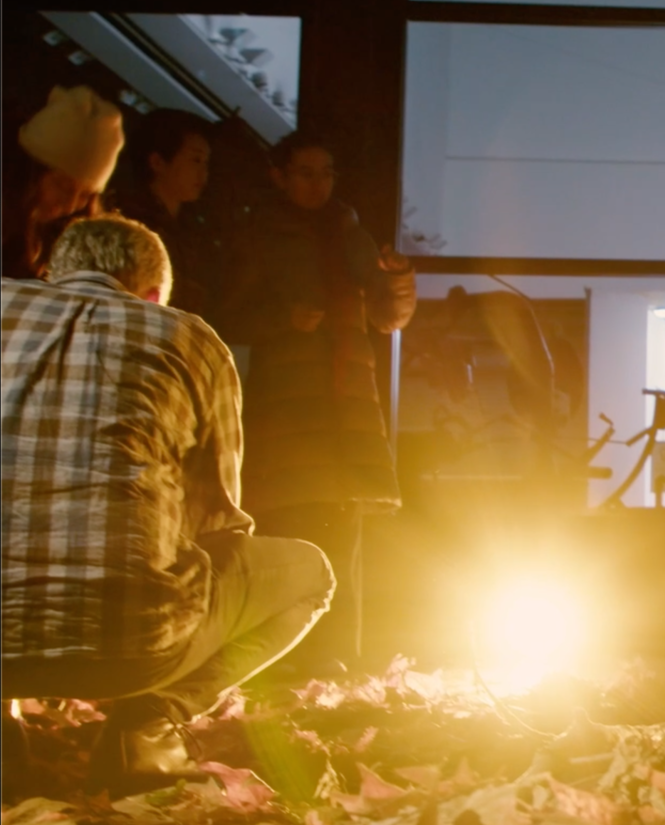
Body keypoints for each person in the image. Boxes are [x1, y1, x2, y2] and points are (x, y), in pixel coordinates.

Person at [2, 217, 334, 792]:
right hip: (131, 648)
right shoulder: (187, 337)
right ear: (153, 294)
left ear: (49, 276)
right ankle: (149, 724)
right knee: (310, 575)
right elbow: (217, 523)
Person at [219, 131, 415, 663]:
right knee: (289, 536)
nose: (318, 184)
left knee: (341, 544)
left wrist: (396, 280)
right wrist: (282, 321)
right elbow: (224, 311)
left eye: (326, 173)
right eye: (305, 173)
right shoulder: (259, 233)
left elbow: (387, 317)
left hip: (346, 407)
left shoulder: (349, 235)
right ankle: (285, 676)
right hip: (283, 409)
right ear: (279, 177)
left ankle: (336, 676)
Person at [108, 109, 226, 326]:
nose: (203, 173)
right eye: (195, 160)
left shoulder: (191, 227)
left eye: (206, 163)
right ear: (158, 162)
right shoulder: (132, 226)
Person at [2, 85, 125, 280]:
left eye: (85, 195)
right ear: (29, 173)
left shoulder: (63, 247)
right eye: (63, 186)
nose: (70, 205)